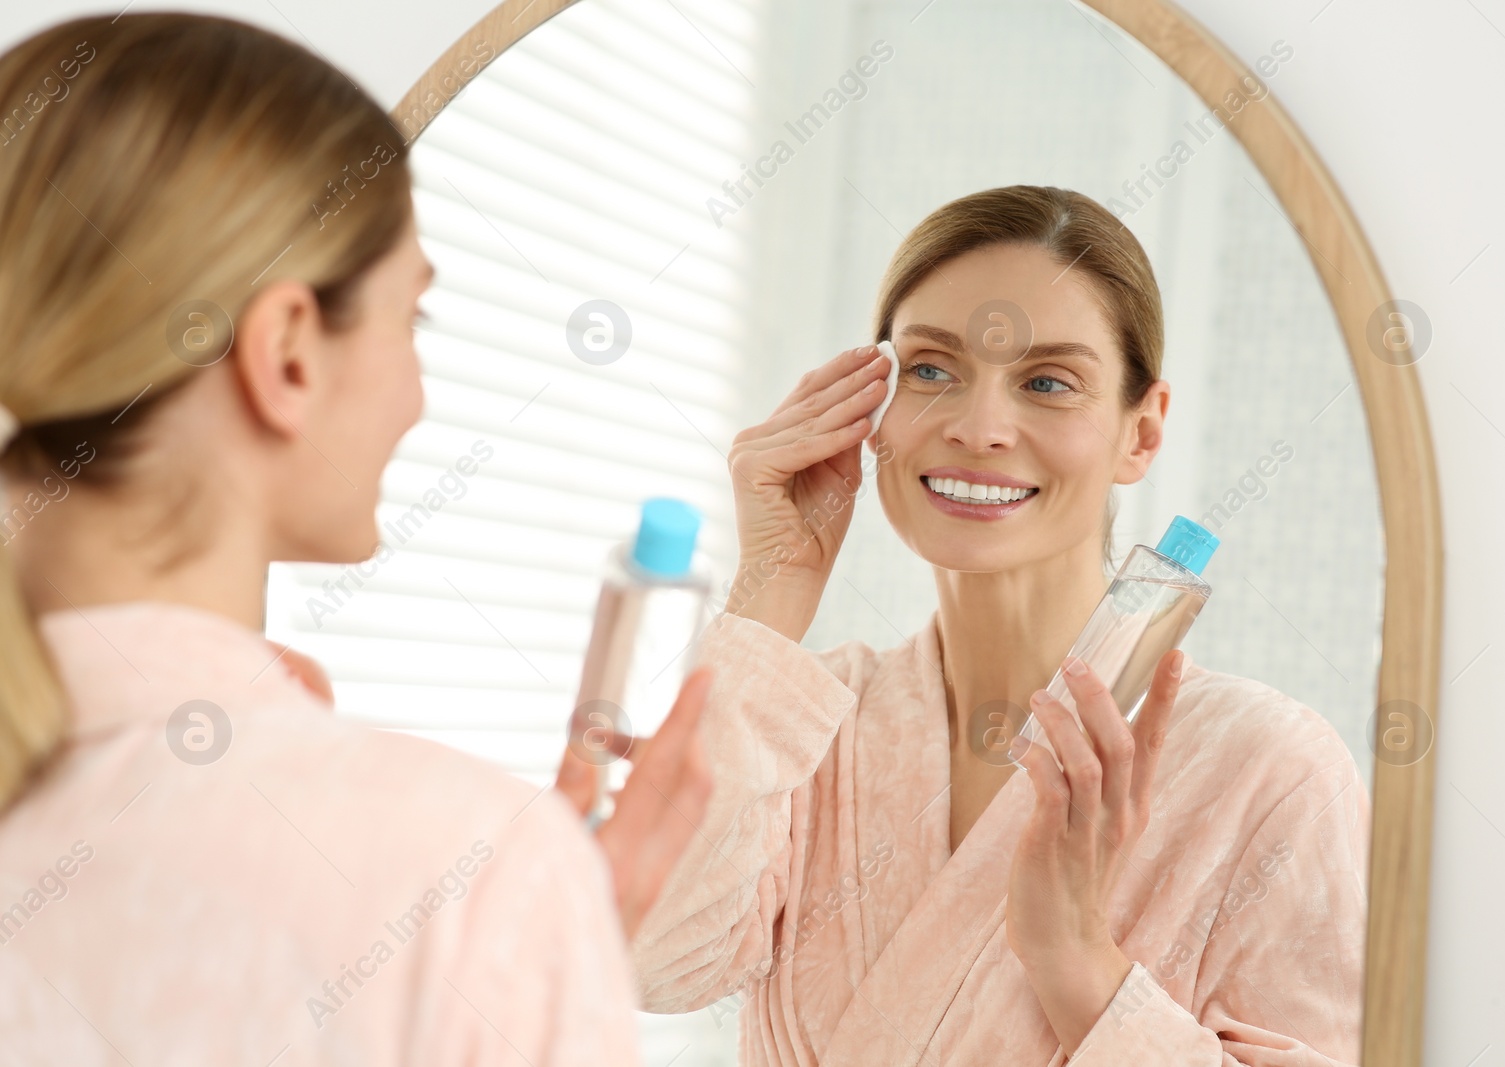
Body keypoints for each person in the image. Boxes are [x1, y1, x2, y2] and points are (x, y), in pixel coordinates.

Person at [0, 14, 710, 1064]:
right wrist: (529, 948)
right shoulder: (457, 869)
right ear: (286, 351)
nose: (418, 395)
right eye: (411, 318)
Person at [630, 186, 1369, 1065]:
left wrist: (1077, 962)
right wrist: (776, 580)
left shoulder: (1269, 769)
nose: (978, 428)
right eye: (931, 371)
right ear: (872, 410)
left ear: (1142, 431)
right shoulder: (806, 719)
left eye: (1048, 382)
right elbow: (657, 965)